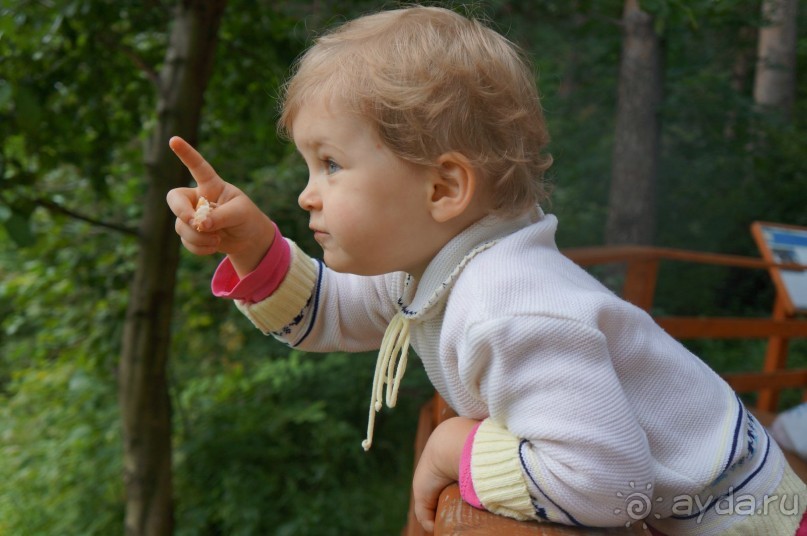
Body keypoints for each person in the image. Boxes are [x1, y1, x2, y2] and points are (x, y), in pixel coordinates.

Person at [166, 6, 807, 535]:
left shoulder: (511, 306)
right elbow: (327, 313)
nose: (307, 195)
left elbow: (609, 483)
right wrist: (251, 244)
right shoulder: (438, 266)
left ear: (444, 189)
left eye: (331, 164)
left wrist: (455, 446)